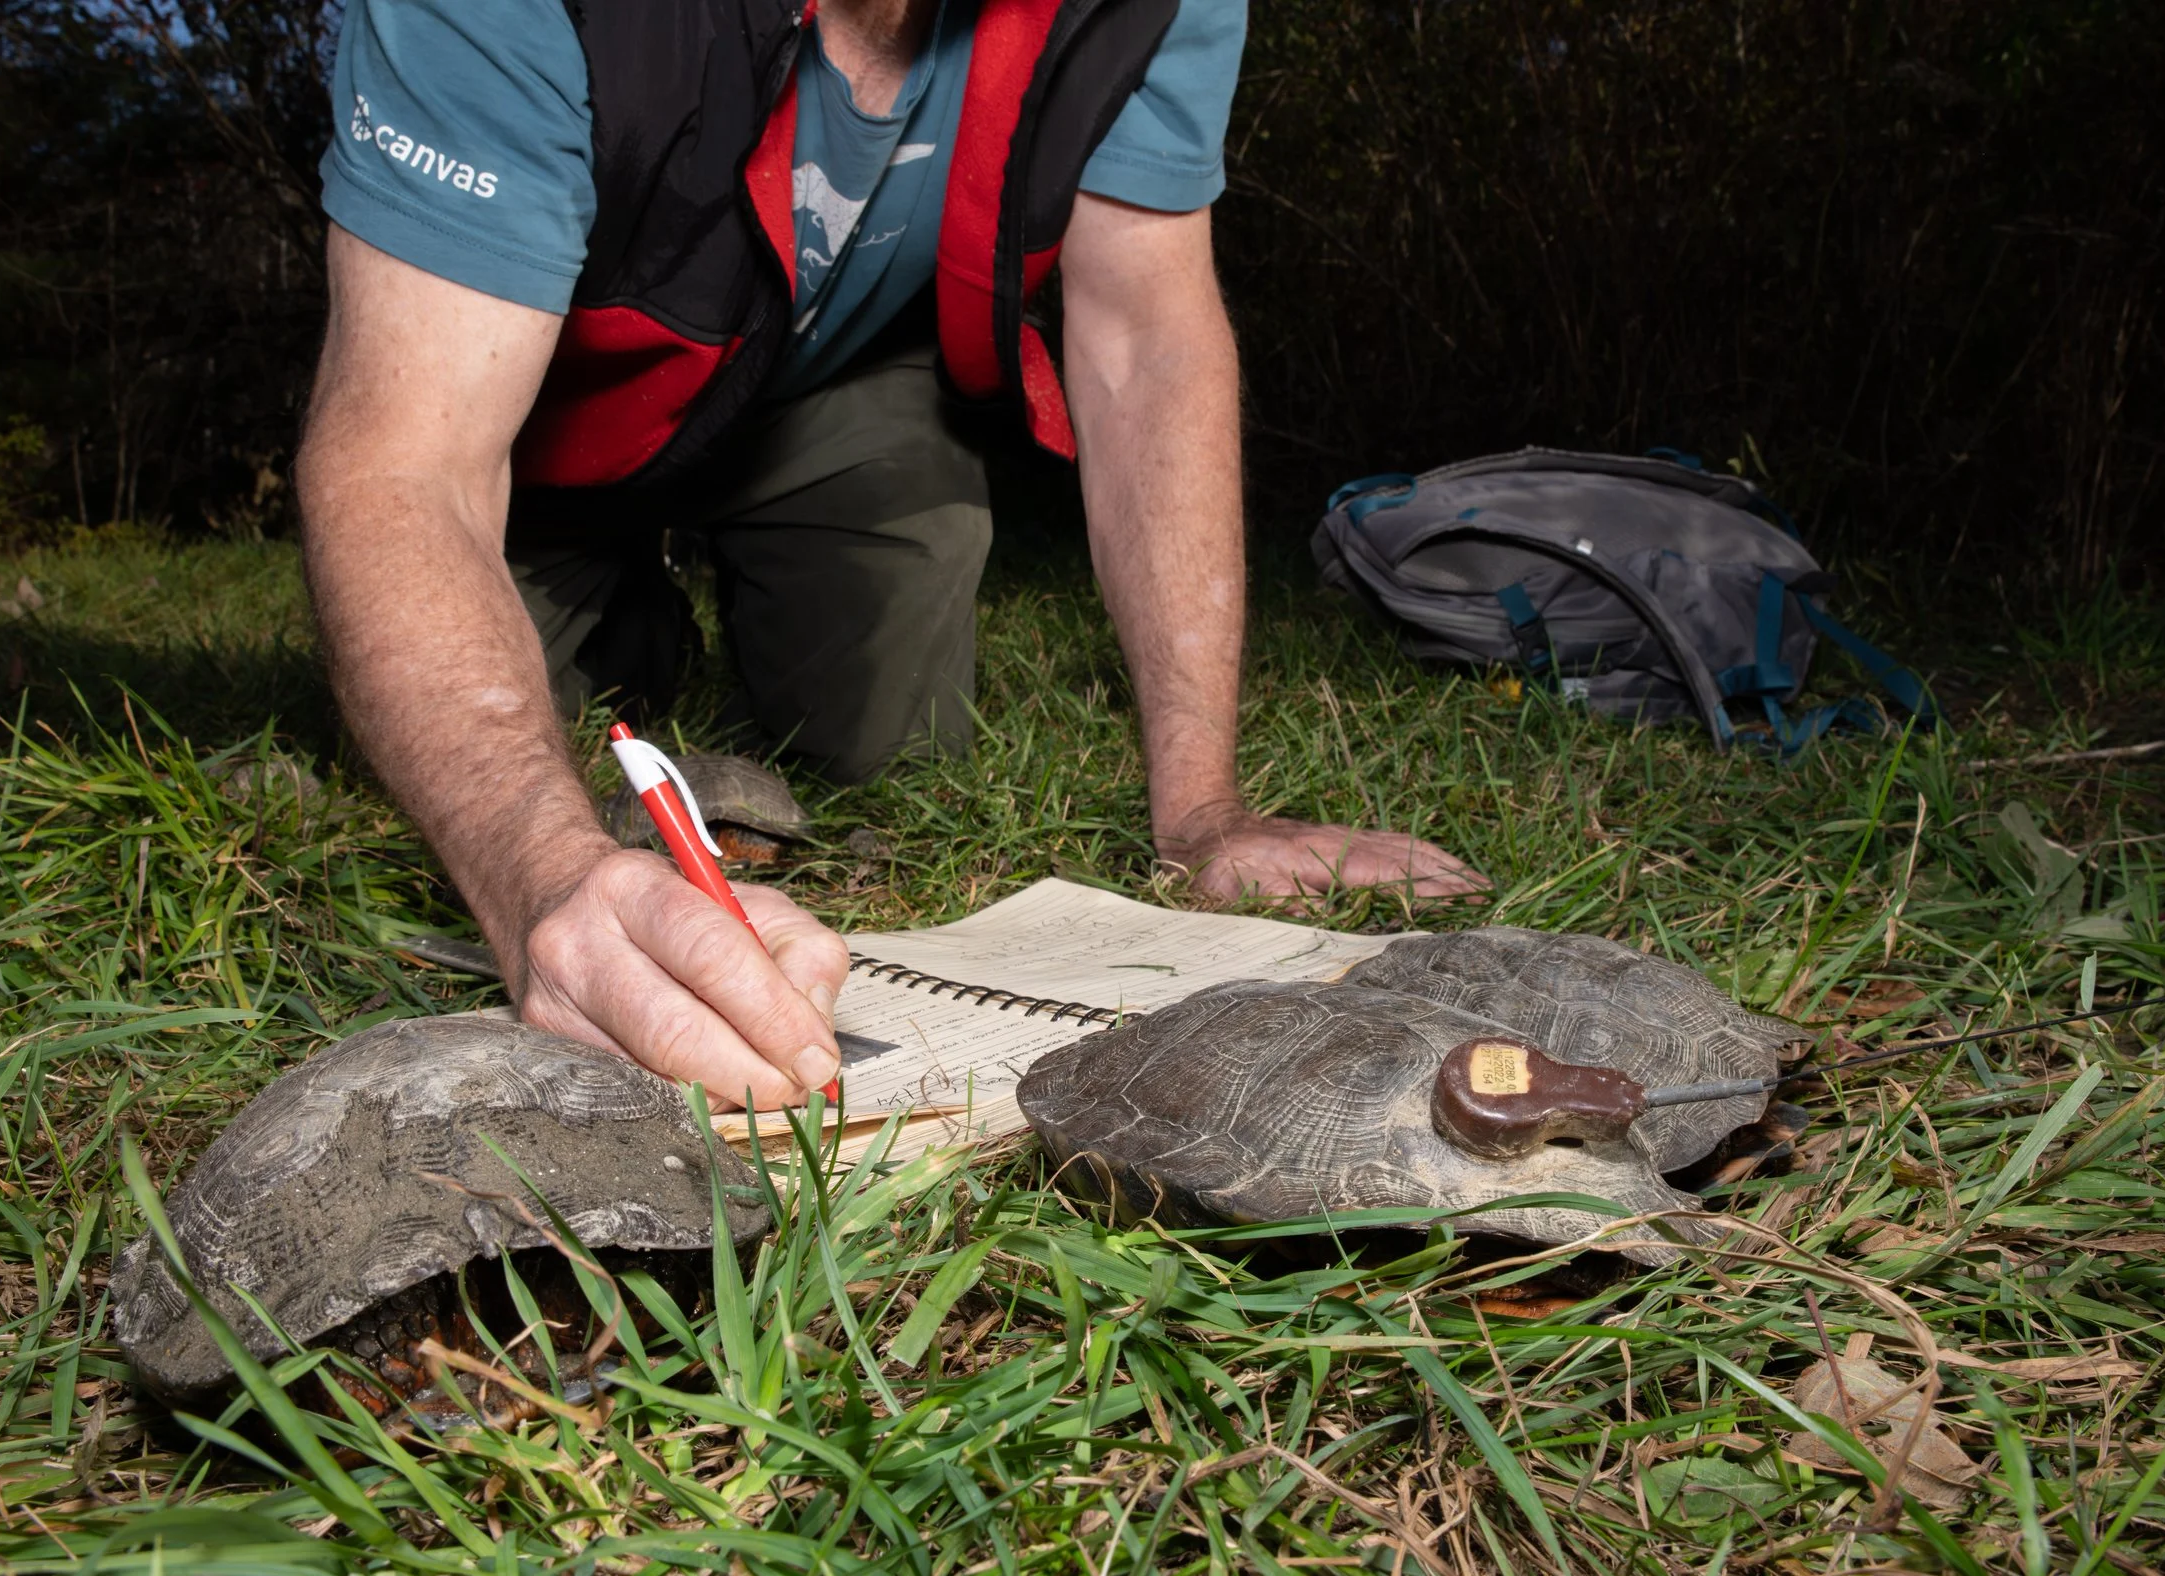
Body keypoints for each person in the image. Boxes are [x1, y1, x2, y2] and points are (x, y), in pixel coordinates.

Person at [293, 0, 1484, 1110]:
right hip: (557, 399)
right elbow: (403, 465)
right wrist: (541, 872)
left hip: (829, 380)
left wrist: (1206, 811)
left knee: (892, 736)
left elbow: (1148, 340)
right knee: (459, 741)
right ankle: (620, 605)